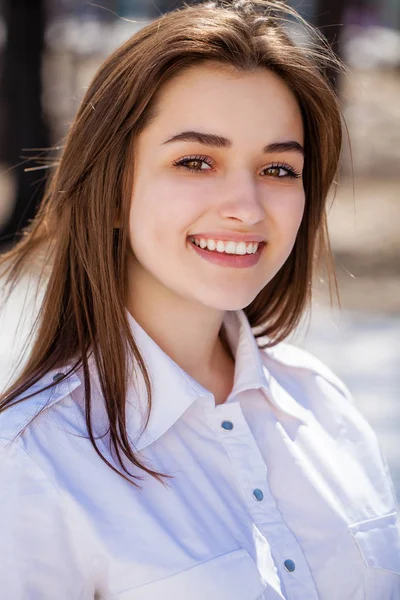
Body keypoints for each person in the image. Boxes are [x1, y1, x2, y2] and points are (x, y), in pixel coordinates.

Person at [0, 1, 399, 598]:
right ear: (110, 191)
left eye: (279, 169)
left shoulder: (323, 405)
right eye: (196, 161)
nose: (246, 205)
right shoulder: (29, 465)